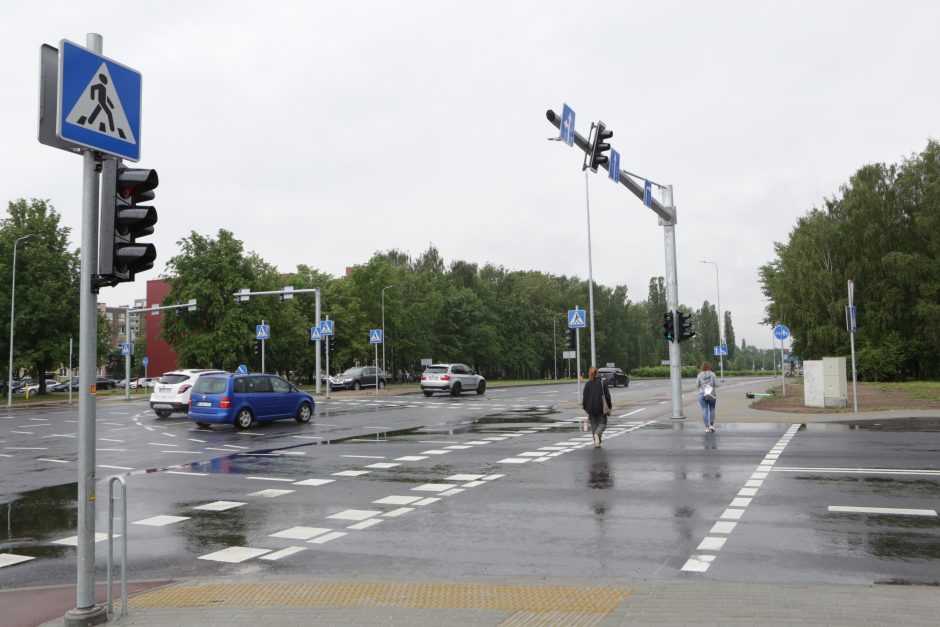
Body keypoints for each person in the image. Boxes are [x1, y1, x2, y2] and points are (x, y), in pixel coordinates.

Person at [581, 366, 612, 448]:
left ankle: (597, 442)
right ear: (597, 373)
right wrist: (609, 406)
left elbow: (585, 397)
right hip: (600, 407)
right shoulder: (602, 383)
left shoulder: (587, 383)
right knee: (602, 424)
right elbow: (607, 396)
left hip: (590, 408)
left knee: (594, 425)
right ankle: (597, 435)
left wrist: (585, 407)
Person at [697, 361, 719, 432]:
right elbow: (717, 384)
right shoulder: (713, 374)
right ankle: (711, 425)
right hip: (711, 392)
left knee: (704, 409)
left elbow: (697, 385)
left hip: (702, 393)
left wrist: (703, 386)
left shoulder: (700, 375)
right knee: (712, 409)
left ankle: (706, 427)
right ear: (709, 367)